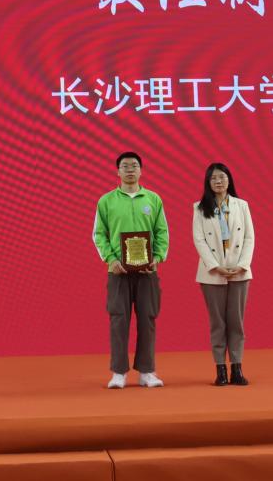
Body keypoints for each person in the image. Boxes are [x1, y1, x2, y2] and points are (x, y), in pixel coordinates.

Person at [93, 151, 169, 389]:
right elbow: (99, 234)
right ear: (118, 171)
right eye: (125, 166)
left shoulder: (153, 199)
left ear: (141, 170)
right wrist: (111, 259)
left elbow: (162, 232)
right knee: (119, 320)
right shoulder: (106, 201)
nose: (130, 169)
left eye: (134, 165)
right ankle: (119, 372)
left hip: (147, 271)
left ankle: (147, 372)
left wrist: (157, 257)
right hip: (118, 272)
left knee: (147, 319)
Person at [192, 162, 255, 386]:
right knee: (217, 322)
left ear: (229, 180)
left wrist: (243, 264)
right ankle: (220, 369)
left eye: (222, 177)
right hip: (212, 273)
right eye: (214, 178)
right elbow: (199, 239)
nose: (219, 181)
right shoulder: (200, 208)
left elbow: (249, 237)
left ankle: (237, 368)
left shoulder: (242, 205)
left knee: (236, 322)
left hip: (239, 270)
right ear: (208, 182)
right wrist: (214, 266)